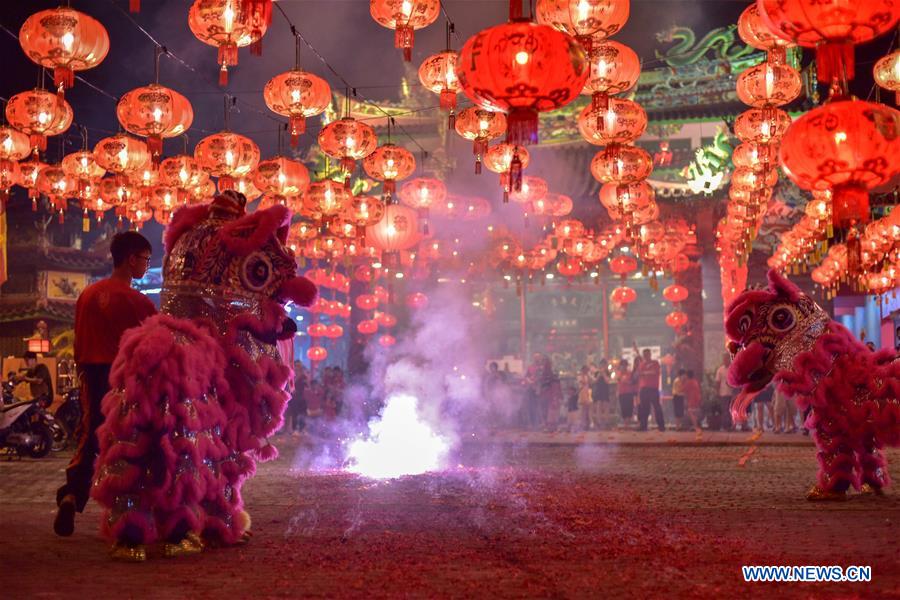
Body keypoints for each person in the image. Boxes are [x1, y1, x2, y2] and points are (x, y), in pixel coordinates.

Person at [54, 231, 157, 538]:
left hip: (92, 375)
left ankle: (73, 494)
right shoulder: (138, 302)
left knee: (91, 437)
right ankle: (125, 509)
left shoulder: (86, 295)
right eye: (145, 260)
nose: (145, 266)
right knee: (129, 440)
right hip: (124, 378)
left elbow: (78, 342)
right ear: (131, 259)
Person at [636, 347, 665, 432]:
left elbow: (655, 372)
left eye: (647, 354)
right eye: (645, 355)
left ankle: (661, 426)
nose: (646, 356)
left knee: (657, 407)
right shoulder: (642, 364)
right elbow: (639, 374)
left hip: (653, 388)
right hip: (644, 388)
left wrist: (645, 373)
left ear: (650, 354)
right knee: (644, 408)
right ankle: (643, 426)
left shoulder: (655, 363)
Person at [715, 353, 736, 431]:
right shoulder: (720, 370)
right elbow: (717, 382)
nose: (725, 360)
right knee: (725, 410)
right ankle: (725, 426)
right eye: (724, 359)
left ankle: (732, 426)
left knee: (732, 410)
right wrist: (717, 392)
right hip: (723, 393)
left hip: (732, 393)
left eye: (727, 358)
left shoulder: (733, 369)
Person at [591, 358, 612, 428]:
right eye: (601, 364)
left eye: (604, 365)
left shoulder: (608, 372)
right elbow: (594, 381)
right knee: (598, 406)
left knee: (606, 406)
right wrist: (599, 375)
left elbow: (608, 381)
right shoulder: (597, 373)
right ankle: (599, 421)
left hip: (605, 390)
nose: (603, 366)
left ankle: (607, 421)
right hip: (599, 390)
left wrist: (604, 374)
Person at [289, 361, 308, 436]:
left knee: (303, 414)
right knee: (295, 414)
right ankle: (295, 430)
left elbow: (307, 386)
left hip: (302, 398)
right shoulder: (292, 375)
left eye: (299, 366)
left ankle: (302, 429)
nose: (297, 367)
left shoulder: (303, 376)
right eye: (296, 365)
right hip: (294, 398)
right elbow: (289, 385)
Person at [616, 358, 636, 424]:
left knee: (629, 407)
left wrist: (627, 382)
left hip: (629, 392)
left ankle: (629, 420)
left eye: (625, 365)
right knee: (623, 407)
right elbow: (619, 380)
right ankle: (625, 421)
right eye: (622, 365)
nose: (624, 366)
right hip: (622, 392)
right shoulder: (619, 373)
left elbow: (632, 381)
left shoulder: (630, 373)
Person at [577, 365, 593, 430]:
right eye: (585, 370)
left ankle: (587, 424)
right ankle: (582, 424)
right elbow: (581, 382)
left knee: (587, 409)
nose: (586, 371)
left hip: (587, 392)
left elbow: (591, 382)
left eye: (587, 370)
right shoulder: (579, 376)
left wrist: (588, 376)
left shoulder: (587, 376)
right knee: (583, 409)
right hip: (582, 392)